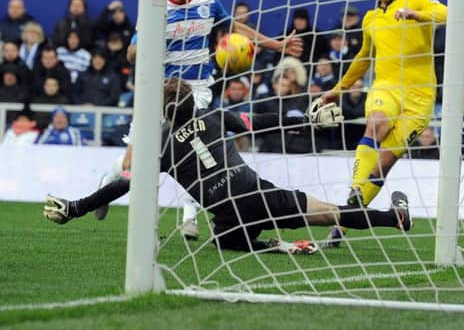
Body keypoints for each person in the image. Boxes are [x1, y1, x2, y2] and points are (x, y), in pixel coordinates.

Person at [42, 79, 411, 255]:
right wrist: (308, 120)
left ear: (165, 111)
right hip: (257, 193)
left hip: (226, 213)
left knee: (226, 242)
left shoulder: (162, 145)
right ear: (191, 101)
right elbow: (262, 121)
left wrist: (76, 208)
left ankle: (276, 246)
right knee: (332, 213)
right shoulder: (215, 116)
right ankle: (394, 218)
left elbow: (123, 184)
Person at [123, 0, 303, 240]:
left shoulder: (208, 3)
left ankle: (187, 218)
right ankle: (111, 181)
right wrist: (146, 43)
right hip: (162, 96)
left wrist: (277, 45)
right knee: (136, 161)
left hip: (198, 92)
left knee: (190, 148)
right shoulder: (154, 9)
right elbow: (131, 54)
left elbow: (235, 27)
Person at [319, 0, 447, 247]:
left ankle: (341, 228)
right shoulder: (370, 18)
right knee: (376, 123)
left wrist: (419, 16)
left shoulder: (416, 0)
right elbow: (364, 58)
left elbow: (449, 15)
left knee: (382, 166)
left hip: (420, 99)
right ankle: (355, 191)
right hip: (385, 89)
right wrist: (338, 89)